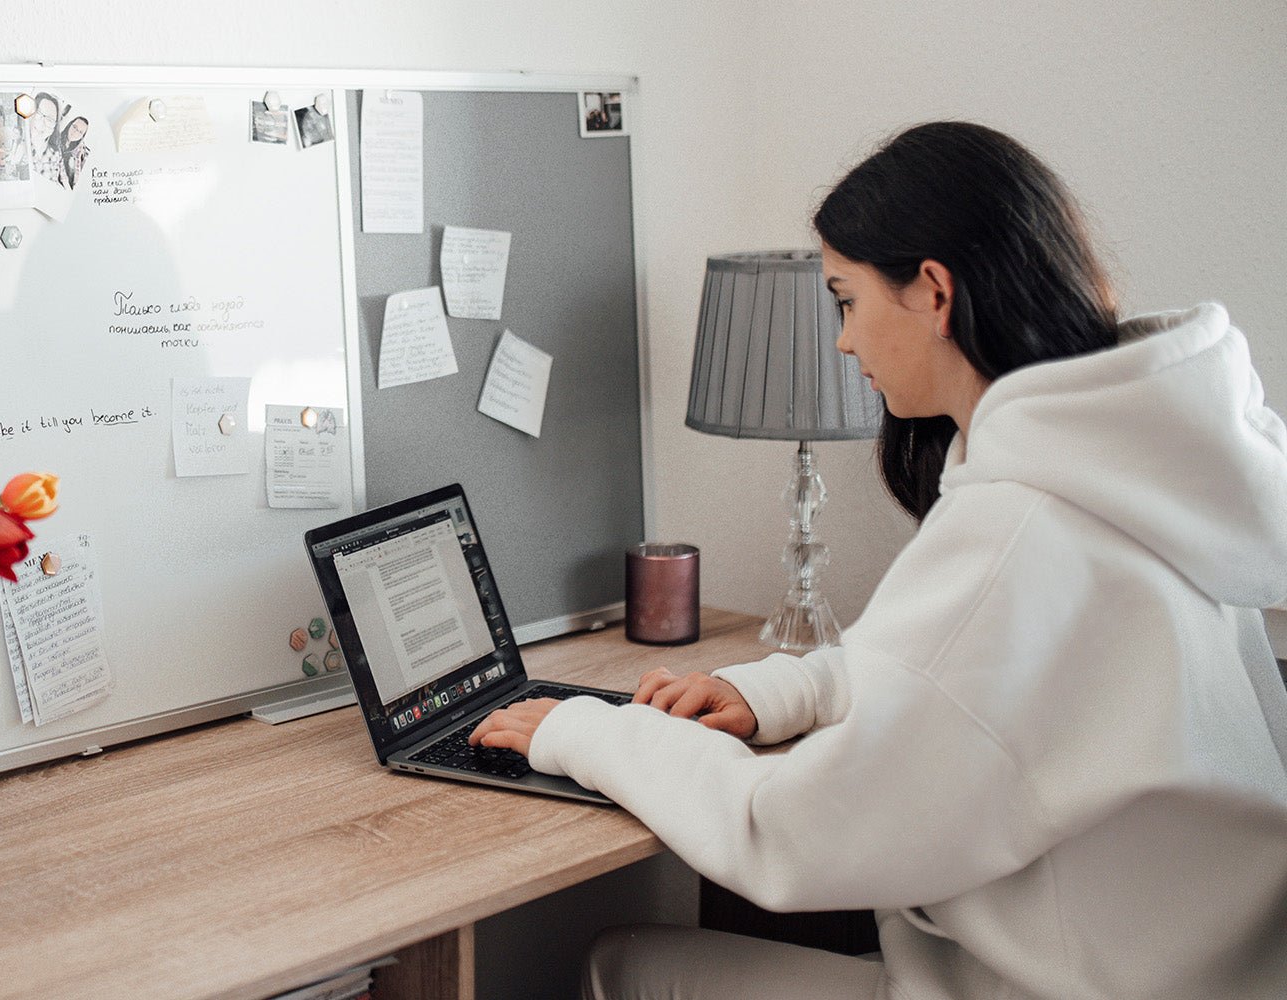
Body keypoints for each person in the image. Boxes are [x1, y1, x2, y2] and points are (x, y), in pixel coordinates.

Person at [471, 121, 1287, 999]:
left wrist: (583, 730)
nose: (843, 343)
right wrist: (780, 689)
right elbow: (975, 683)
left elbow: (783, 836)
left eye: (846, 300)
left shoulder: (1021, 528)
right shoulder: (1151, 473)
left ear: (933, 292)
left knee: (620, 963)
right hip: (1206, 972)